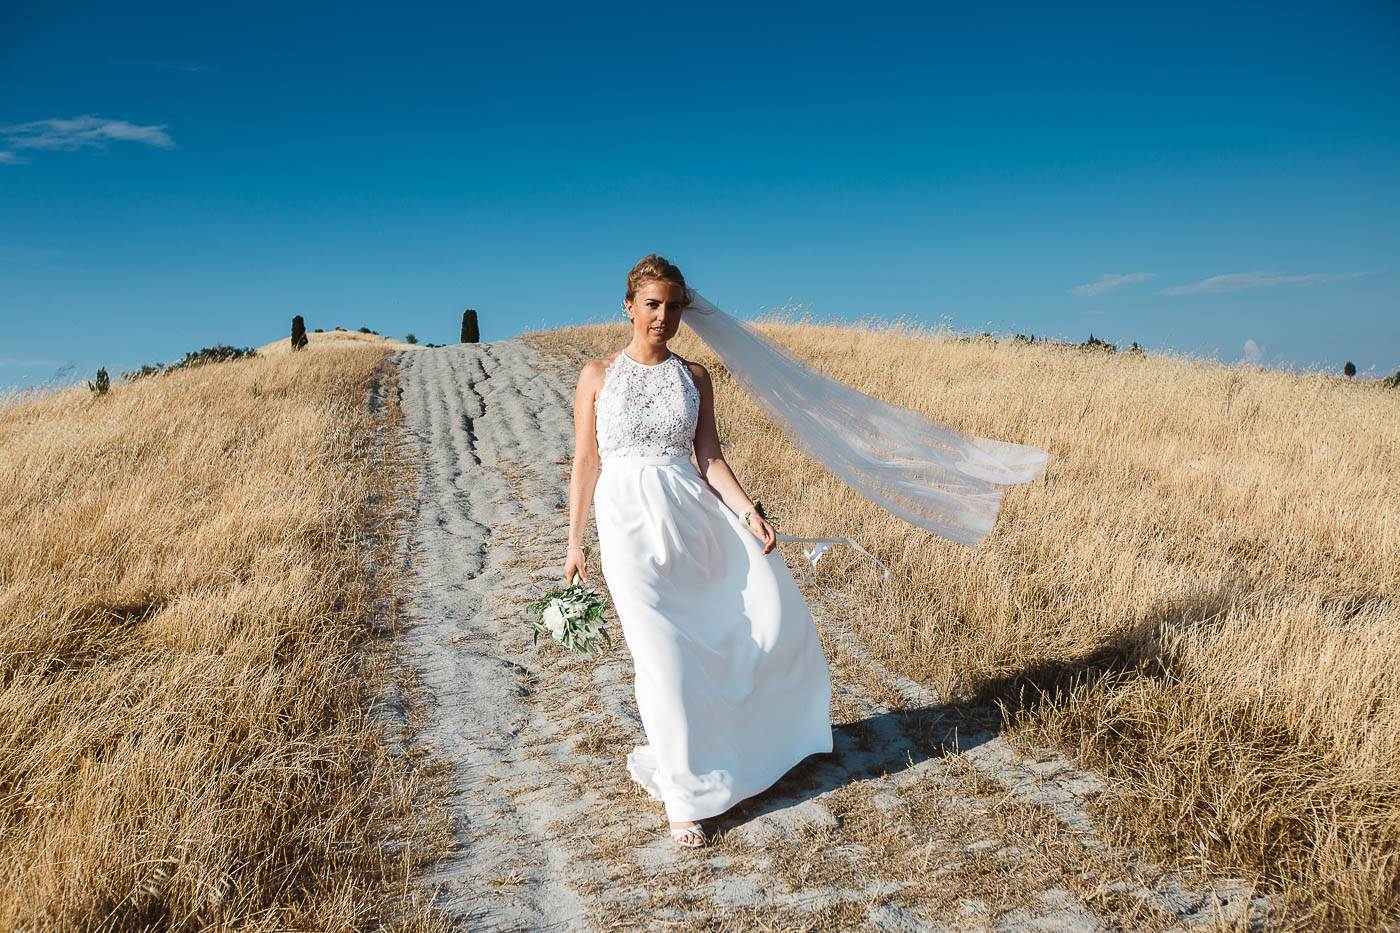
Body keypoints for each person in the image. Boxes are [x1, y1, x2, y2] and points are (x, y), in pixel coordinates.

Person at [565, 253, 834, 849]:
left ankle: (731, 747)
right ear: (629, 306)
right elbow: (585, 462)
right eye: (652, 304)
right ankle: (683, 800)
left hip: (693, 520)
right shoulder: (596, 374)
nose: (663, 316)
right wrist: (575, 543)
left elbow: (709, 457)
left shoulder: (696, 377)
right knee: (659, 656)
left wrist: (748, 512)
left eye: (674, 306)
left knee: (730, 636)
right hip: (626, 524)